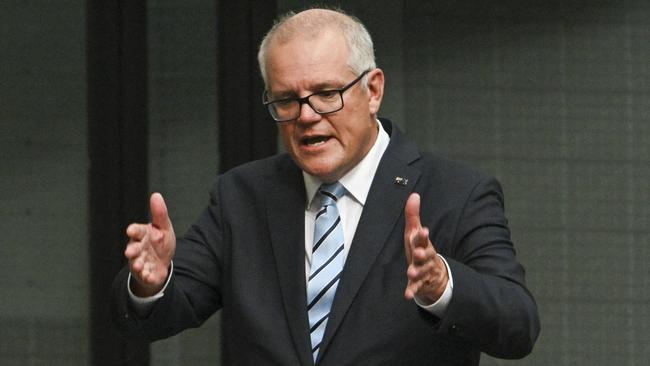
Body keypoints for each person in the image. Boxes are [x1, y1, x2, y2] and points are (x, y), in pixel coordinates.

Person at [112, 7, 540, 366]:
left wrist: (443, 286)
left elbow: (518, 325)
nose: (307, 115)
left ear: (372, 91)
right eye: (286, 100)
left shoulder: (456, 193)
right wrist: (152, 284)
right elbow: (158, 314)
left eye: (326, 93)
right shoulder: (242, 197)